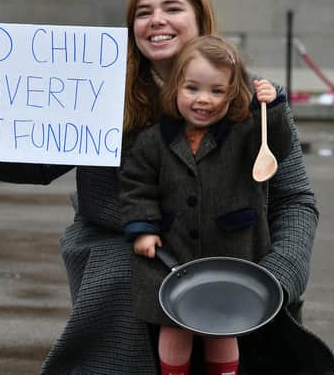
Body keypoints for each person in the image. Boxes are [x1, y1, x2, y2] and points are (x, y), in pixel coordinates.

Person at [0, 0, 334, 374]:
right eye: (143, 12)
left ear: (200, 19)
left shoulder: (259, 102)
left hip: (231, 265)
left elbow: (294, 200)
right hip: (128, 262)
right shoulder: (100, 95)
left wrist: (278, 278)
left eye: (172, 8)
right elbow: (35, 163)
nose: (156, 20)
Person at [121, 35, 293, 375]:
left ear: (233, 94)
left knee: (224, 324)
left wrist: (272, 109)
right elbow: (136, 186)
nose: (204, 100)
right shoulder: (154, 139)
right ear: (174, 89)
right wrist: (142, 227)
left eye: (217, 91)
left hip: (230, 249)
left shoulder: (246, 132)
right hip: (171, 253)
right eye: (192, 89)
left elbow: (276, 147)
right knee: (173, 324)